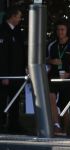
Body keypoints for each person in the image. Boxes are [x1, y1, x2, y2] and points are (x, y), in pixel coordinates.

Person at [46, 20, 70, 135]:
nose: (60, 32)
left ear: (67, 31)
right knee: (51, 97)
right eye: (58, 30)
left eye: (62, 29)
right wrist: (52, 61)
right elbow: (45, 60)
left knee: (64, 107)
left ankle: (65, 130)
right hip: (53, 77)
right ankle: (56, 125)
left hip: (67, 79)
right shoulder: (51, 45)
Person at [0, 6, 26, 134]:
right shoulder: (2, 30)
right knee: (2, 99)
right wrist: (3, 75)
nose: (20, 19)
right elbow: (2, 55)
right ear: (13, 16)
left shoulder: (18, 32)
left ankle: (14, 124)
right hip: (5, 75)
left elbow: (22, 52)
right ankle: (1, 123)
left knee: (15, 99)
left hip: (17, 74)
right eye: (18, 16)